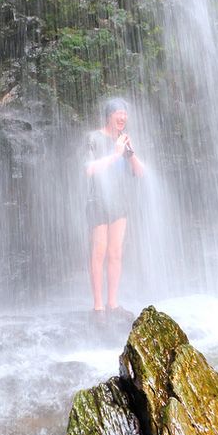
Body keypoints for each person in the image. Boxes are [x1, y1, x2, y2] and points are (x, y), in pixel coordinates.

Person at [85, 98, 144, 321]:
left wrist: (130, 153)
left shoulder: (123, 141)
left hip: (120, 202)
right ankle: (98, 307)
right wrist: (116, 154)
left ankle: (113, 303)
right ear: (109, 116)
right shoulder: (93, 138)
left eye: (125, 114)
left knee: (116, 252)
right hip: (98, 201)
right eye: (118, 113)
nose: (122, 117)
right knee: (99, 252)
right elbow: (90, 169)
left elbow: (140, 173)